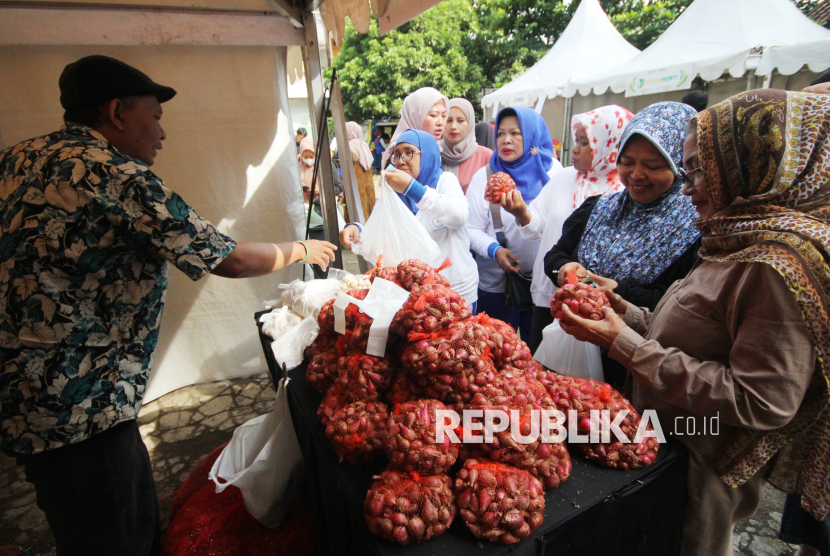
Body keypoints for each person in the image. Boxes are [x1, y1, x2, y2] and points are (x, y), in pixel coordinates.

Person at [0, 55, 337, 556]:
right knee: (115, 535)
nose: (161, 133)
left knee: (90, 516)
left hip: (28, 397)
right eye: (154, 116)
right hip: (84, 406)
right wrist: (305, 249)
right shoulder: (115, 175)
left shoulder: (17, 159)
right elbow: (229, 259)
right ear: (116, 111)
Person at [558, 89, 830, 556]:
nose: (689, 187)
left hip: (700, 469)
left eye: (702, 170)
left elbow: (762, 401)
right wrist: (626, 313)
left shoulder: (775, 265)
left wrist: (624, 343)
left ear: (752, 165)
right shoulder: (734, 235)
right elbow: (695, 332)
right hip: (664, 447)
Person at [543, 102, 701, 385]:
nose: (636, 175)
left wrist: (618, 292)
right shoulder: (599, 208)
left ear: (679, 165)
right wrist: (566, 268)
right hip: (575, 349)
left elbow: (678, 304)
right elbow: (555, 256)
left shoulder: (694, 227)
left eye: (652, 165)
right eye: (627, 162)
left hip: (641, 364)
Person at [498, 105, 634, 354]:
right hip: (548, 290)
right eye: (577, 140)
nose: (576, 149)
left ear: (608, 146)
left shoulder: (623, 191)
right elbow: (538, 225)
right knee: (541, 364)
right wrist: (521, 212)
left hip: (593, 301)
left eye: (585, 143)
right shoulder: (563, 178)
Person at [339, 130, 478, 307]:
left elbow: (459, 215)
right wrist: (357, 230)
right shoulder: (393, 192)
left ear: (427, 154)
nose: (401, 160)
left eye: (408, 152)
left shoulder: (444, 181)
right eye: (396, 155)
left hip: (455, 291)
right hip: (414, 295)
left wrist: (413, 189)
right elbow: (379, 230)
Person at [466, 107, 554, 338]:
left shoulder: (554, 175)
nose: (506, 140)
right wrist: (494, 250)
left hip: (543, 285)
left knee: (537, 355)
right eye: (501, 133)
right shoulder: (484, 176)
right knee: (496, 351)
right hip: (496, 285)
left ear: (533, 135)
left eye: (516, 133)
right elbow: (470, 227)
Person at [298, 135, 345, 279]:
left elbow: (338, 187)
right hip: (301, 216)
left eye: (311, 155)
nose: (307, 159)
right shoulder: (296, 166)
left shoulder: (325, 165)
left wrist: (321, 192)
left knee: (322, 259)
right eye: (304, 156)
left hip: (320, 218)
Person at [381, 87, 448, 168]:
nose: (440, 122)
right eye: (433, 115)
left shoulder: (436, 148)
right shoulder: (401, 151)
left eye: (444, 116)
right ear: (414, 117)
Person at [440, 98, 494, 193]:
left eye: (460, 121)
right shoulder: (435, 153)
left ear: (470, 123)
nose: (453, 126)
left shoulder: (486, 156)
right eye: (448, 120)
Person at [346, 121, 377, 220]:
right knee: (369, 207)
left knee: (357, 210)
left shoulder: (348, 146)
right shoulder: (364, 145)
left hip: (356, 186)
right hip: (368, 184)